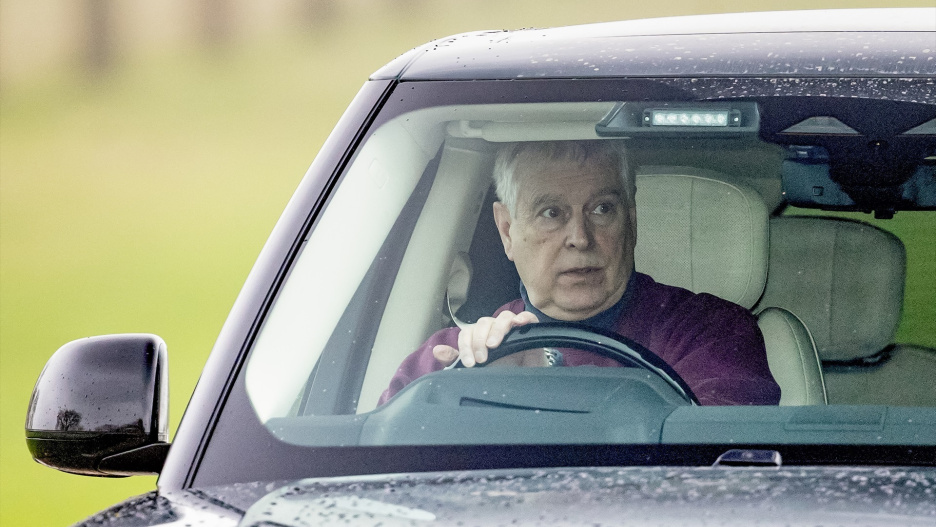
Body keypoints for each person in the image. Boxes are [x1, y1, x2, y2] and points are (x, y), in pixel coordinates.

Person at [379, 140, 780, 406]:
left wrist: (542, 384)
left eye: (602, 209)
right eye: (551, 213)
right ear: (507, 231)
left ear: (632, 221)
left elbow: (720, 486)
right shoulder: (447, 360)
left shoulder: (708, 335)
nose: (580, 238)